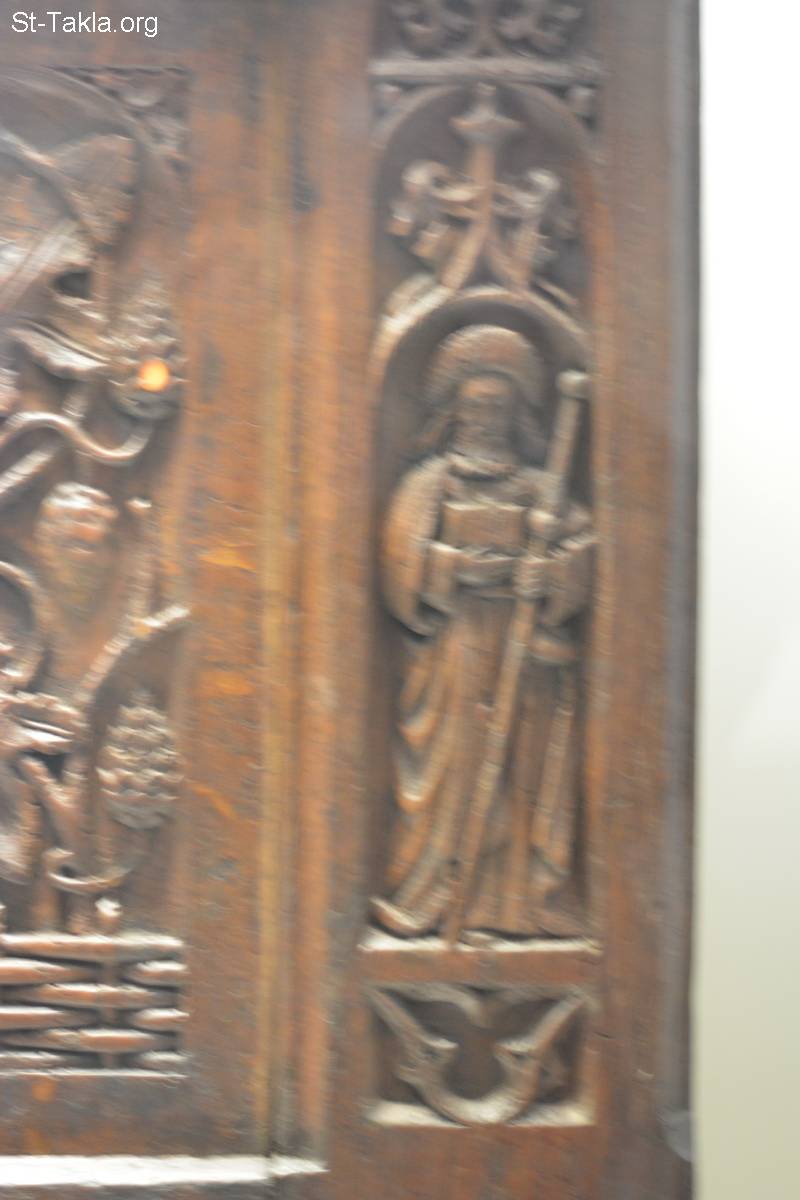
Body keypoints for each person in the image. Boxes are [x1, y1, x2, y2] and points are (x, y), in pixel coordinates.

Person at [372, 325, 595, 939]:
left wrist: (550, 575)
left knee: (519, 775)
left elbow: (583, 551)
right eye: (475, 407)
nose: (486, 421)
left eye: (498, 409)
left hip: (523, 655)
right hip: (454, 651)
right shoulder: (428, 484)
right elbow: (398, 563)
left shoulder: (541, 490)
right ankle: (437, 898)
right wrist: (452, 567)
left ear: (516, 415)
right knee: (456, 771)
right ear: (454, 412)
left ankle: (516, 906)